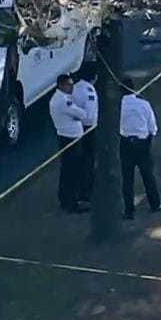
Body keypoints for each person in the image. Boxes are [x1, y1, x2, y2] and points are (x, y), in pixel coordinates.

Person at [119, 78, 161, 220]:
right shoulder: (143, 104)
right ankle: (155, 203)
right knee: (148, 174)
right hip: (143, 142)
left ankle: (128, 210)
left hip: (125, 143)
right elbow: (152, 126)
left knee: (127, 178)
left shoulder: (117, 106)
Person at [49, 74, 88, 214]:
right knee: (72, 171)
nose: (72, 87)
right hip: (70, 139)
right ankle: (72, 203)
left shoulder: (59, 98)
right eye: (69, 85)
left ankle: (65, 199)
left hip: (66, 137)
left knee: (66, 171)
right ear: (61, 85)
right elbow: (82, 114)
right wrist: (81, 112)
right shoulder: (63, 101)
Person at [71, 63, 99, 204]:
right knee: (88, 162)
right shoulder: (89, 91)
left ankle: (75, 192)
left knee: (76, 162)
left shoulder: (74, 89)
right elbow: (90, 116)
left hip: (73, 130)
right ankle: (86, 193)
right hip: (87, 131)